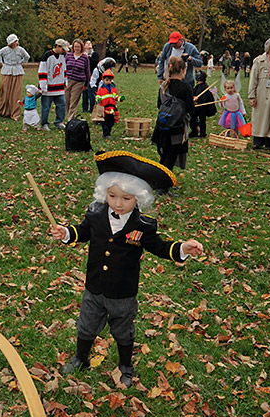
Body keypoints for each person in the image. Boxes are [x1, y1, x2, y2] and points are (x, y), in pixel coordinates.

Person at [51, 151, 203, 387]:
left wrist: (183, 248)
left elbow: (161, 247)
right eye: (112, 196)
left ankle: (125, 366)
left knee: (123, 331)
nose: (118, 203)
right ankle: (81, 358)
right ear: (104, 193)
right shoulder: (96, 215)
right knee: (86, 325)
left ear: (138, 199)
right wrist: (66, 233)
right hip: (94, 287)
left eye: (126, 198)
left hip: (123, 293)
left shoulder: (142, 226)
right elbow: (82, 232)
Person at [151, 54, 194, 173]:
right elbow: (190, 109)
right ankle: (161, 182)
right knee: (170, 159)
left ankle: (158, 177)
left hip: (162, 126)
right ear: (183, 70)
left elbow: (159, 105)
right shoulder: (186, 87)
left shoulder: (163, 86)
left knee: (164, 157)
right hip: (176, 130)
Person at [0, 33, 31, 121]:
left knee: (16, 92)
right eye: (13, 42)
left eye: (16, 41)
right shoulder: (5, 50)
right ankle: (3, 111)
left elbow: (27, 57)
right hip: (6, 71)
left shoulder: (20, 50)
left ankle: (15, 113)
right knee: (5, 90)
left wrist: (21, 62)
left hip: (18, 71)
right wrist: (1, 63)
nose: (15, 43)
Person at [38, 38, 68, 130]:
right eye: (62, 49)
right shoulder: (47, 55)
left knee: (62, 104)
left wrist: (65, 80)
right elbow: (42, 71)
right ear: (57, 46)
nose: (63, 51)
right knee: (46, 107)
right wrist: (43, 86)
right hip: (48, 87)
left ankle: (59, 122)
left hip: (59, 87)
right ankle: (44, 123)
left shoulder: (62, 56)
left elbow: (64, 69)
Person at [64, 38, 91, 121]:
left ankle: (70, 119)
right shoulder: (68, 56)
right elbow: (64, 68)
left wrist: (86, 84)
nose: (77, 48)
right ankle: (68, 115)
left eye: (78, 47)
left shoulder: (85, 58)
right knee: (67, 100)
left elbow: (87, 71)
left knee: (73, 100)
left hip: (79, 81)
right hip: (68, 80)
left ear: (81, 47)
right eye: (75, 46)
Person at [94, 69, 120, 139]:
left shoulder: (113, 88)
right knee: (104, 122)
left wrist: (119, 98)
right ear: (103, 80)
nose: (109, 82)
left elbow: (115, 96)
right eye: (107, 80)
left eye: (110, 80)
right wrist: (98, 99)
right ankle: (106, 134)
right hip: (104, 109)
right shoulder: (101, 89)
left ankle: (108, 132)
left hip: (111, 109)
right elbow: (98, 95)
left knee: (111, 122)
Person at [189, 71, 216, 138]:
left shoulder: (205, 87)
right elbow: (193, 94)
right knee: (192, 119)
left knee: (202, 121)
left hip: (203, 108)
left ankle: (202, 133)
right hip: (196, 107)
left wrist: (198, 99)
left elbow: (205, 98)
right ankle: (194, 131)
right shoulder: (197, 86)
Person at [81, 40, 99, 112]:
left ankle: (92, 108)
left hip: (92, 75)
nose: (89, 44)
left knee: (91, 92)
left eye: (90, 43)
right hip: (84, 76)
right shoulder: (82, 54)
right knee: (84, 93)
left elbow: (95, 62)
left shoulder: (94, 54)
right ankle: (84, 108)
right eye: (87, 43)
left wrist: (88, 57)